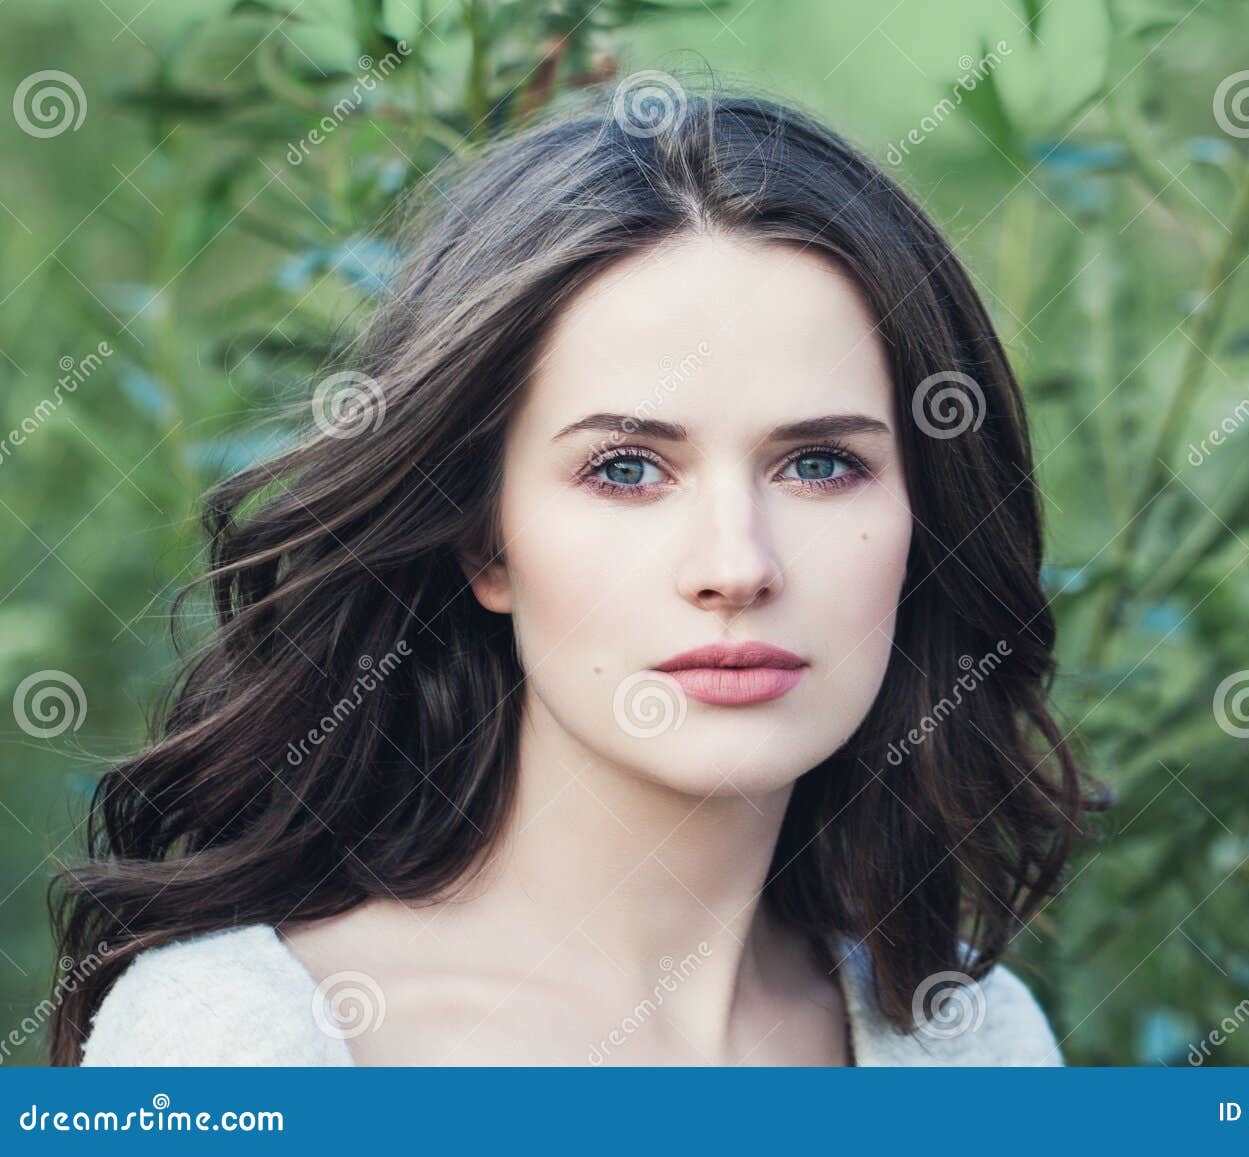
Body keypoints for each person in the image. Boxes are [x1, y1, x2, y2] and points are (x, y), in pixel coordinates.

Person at [51, 77, 1091, 1066]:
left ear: (928, 515)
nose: (736, 564)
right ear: (484, 538)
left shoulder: (970, 1044)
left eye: (819, 463)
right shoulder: (247, 1041)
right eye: (627, 468)